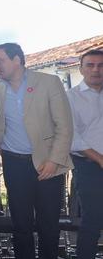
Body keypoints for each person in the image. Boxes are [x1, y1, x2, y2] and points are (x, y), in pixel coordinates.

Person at [0, 42, 73, 259]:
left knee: (48, 224)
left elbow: (64, 126)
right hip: (14, 164)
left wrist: (54, 160)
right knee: (20, 224)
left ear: (17, 59)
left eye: (0, 60)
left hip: (48, 164)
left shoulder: (49, 82)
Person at [67, 49, 103, 259]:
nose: (96, 70)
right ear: (80, 69)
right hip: (88, 166)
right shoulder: (70, 97)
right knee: (93, 218)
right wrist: (99, 159)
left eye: (101, 65)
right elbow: (71, 136)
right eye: (90, 65)